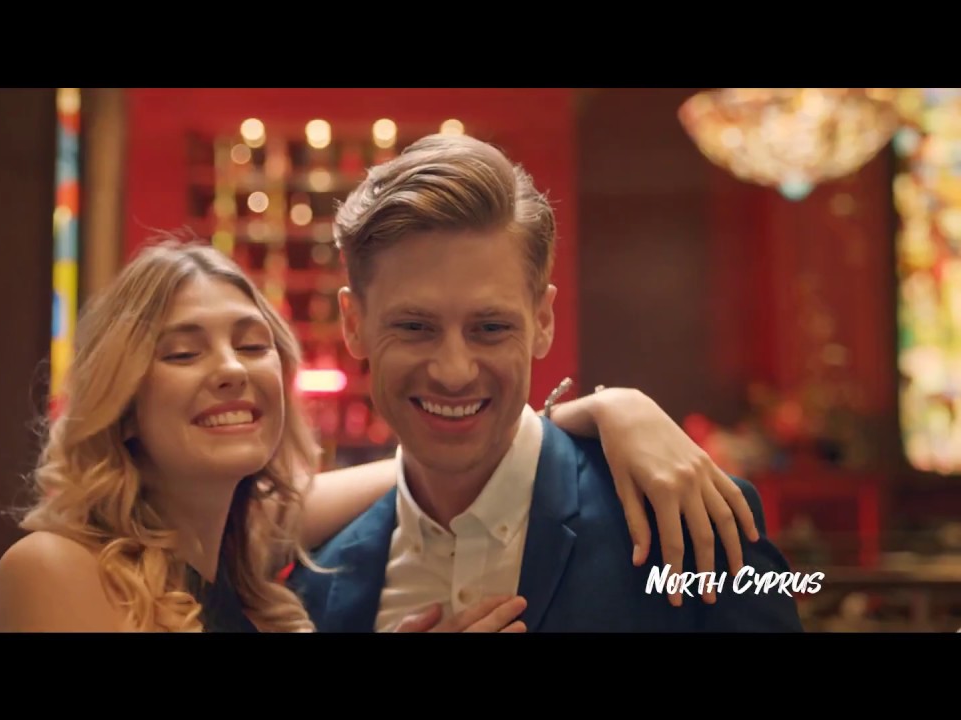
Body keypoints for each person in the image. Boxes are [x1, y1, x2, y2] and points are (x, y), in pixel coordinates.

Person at [0, 238, 757, 632]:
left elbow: (444, 460)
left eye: (252, 344)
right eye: (182, 353)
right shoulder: (54, 569)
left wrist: (613, 411)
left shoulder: (248, 546)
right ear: (122, 399)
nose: (229, 371)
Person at [288, 133, 806, 632]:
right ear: (353, 324)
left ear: (543, 321)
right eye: (414, 327)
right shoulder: (315, 587)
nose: (454, 371)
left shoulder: (690, 526)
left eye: (491, 328)